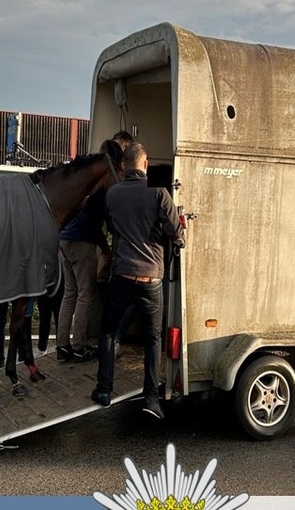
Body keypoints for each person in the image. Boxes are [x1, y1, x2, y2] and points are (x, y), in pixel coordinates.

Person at [91, 143, 185, 419]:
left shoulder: (113, 193)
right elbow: (175, 232)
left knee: (107, 332)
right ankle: (151, 400)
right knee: (153, 339)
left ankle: (104, 390)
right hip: (151, 278)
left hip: (121, 275)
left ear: (124, 165)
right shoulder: (159, 191)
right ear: (145, 165)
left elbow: (111, 227)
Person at [56, 131, 133, 363]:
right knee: (85, 295)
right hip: (81, 243)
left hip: (65, 239)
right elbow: (102, 221)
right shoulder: (103, 184)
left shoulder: (87, 178)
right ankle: (78, 346)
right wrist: (112, 240)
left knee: (70, 294)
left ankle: (62, 345)